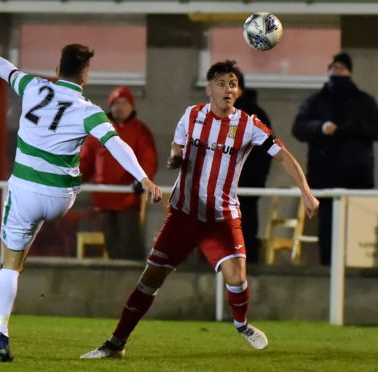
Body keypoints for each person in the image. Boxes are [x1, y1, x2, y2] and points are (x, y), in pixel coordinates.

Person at [80, 60, 319, 359]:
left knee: (237, 277)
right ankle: (116, 343)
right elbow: (177, 144)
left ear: (238, 90)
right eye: (221, 83)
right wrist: (175, 157)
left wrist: (306, 192)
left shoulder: (249, 125)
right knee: (150, 279)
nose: (227, 89)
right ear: (209, 88)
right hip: (183, 214)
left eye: (232, 84)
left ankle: (241, 323)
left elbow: (283, 156)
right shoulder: (192, 115)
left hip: (221, 216)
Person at [0, 43, 162, 362]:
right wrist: (143, 178)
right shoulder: (89, 111)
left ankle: (1, 333)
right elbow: (116, 144)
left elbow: (6, 69)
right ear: (86, 75)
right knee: (70, 166)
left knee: (10, 266)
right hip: (60, 198)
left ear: (57, 71)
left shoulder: (32, 86)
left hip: (25, 192)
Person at [292, 51, 378, 266]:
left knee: (357, 230)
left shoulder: (364, 102)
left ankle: (355, 270)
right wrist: (321, 127)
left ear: (350, 72)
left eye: (341, 68)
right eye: (333, 68)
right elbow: (299, 128)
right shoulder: (315, 102)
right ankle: (329, 269)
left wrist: (355, 128)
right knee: (327, 229)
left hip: (357, 177)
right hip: (325, 177)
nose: (337, 72)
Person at [80, 86, 158, 260]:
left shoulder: (140, 131)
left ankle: (133, 280)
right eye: (116, 103)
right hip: (104, 199)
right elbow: (86, 159)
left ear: (131, 106)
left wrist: (143, 179)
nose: (120, 107)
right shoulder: (99, 131)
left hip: (128, 200)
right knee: (112, 246)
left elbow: (148, 158)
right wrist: (74, 178)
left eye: (124, 103)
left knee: (130, 243)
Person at [234, 70, 273, 264]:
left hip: (245, 189)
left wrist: (252, 182)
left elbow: (266, 152)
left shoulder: (254, 116)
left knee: (245, 232)